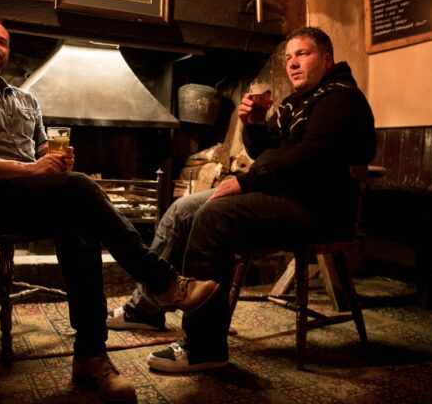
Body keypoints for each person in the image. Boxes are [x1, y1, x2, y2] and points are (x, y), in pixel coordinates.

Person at [0, 19, 220, 401]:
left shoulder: (27, 100)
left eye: (2, 41)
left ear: (7, 51)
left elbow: (41, 150)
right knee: (82, 188)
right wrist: (33, 170)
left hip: (34, 197)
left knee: (81, 225)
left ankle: (90, 355)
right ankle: (162, 281)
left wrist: (56, 163)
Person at [106, 26, 376, 373]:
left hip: (317, 208)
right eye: (288, 57)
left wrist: (247, 182)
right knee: (182, 209)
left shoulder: (341, 99)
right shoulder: (298, 103)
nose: (292, 64)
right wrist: (255, 125)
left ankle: (204, 347)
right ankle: (146, 308)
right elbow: (267, 152)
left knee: (214, 215)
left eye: (303, 54)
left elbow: (309, 158)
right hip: (283, 195)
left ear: (327, 59)